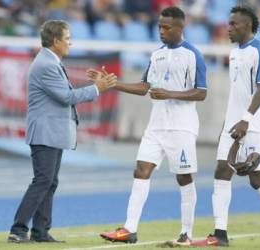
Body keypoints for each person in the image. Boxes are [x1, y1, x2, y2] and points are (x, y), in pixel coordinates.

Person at [89, 6, 207, 245]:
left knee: (184, 177)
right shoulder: (157, 54)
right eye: (159, 27)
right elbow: (145, 86)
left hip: (181, 127)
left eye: (166, 27)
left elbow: (202, 93)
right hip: (156, 126)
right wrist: (113, 84)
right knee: (141, 170)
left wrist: (170, 94)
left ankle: (186, 233)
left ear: (180, 27)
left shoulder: (193, 55)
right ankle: (129, 229)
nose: (161, 31)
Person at [191, 5, 260, 249]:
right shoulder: (235, 51)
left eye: (233, 24)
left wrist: (246, 120)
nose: (228, 28)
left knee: (257, 179)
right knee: (221, 171)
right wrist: (229, 123)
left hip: (254, 124)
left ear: (247, 25)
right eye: (228, 24)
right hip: (233, 124)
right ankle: (220, 234)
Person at [7, 20, 117, 243]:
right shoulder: (46, 64)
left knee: (49, 181)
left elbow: (63, 95)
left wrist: (94, 85)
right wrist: (98, 89)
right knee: (42, 180)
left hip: (52, 132)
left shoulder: (51, 61)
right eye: (67, 38)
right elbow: (66, 97)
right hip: (44, 133)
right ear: (55, 40)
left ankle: (40, 231)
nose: (70, 43)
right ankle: (18, 230)